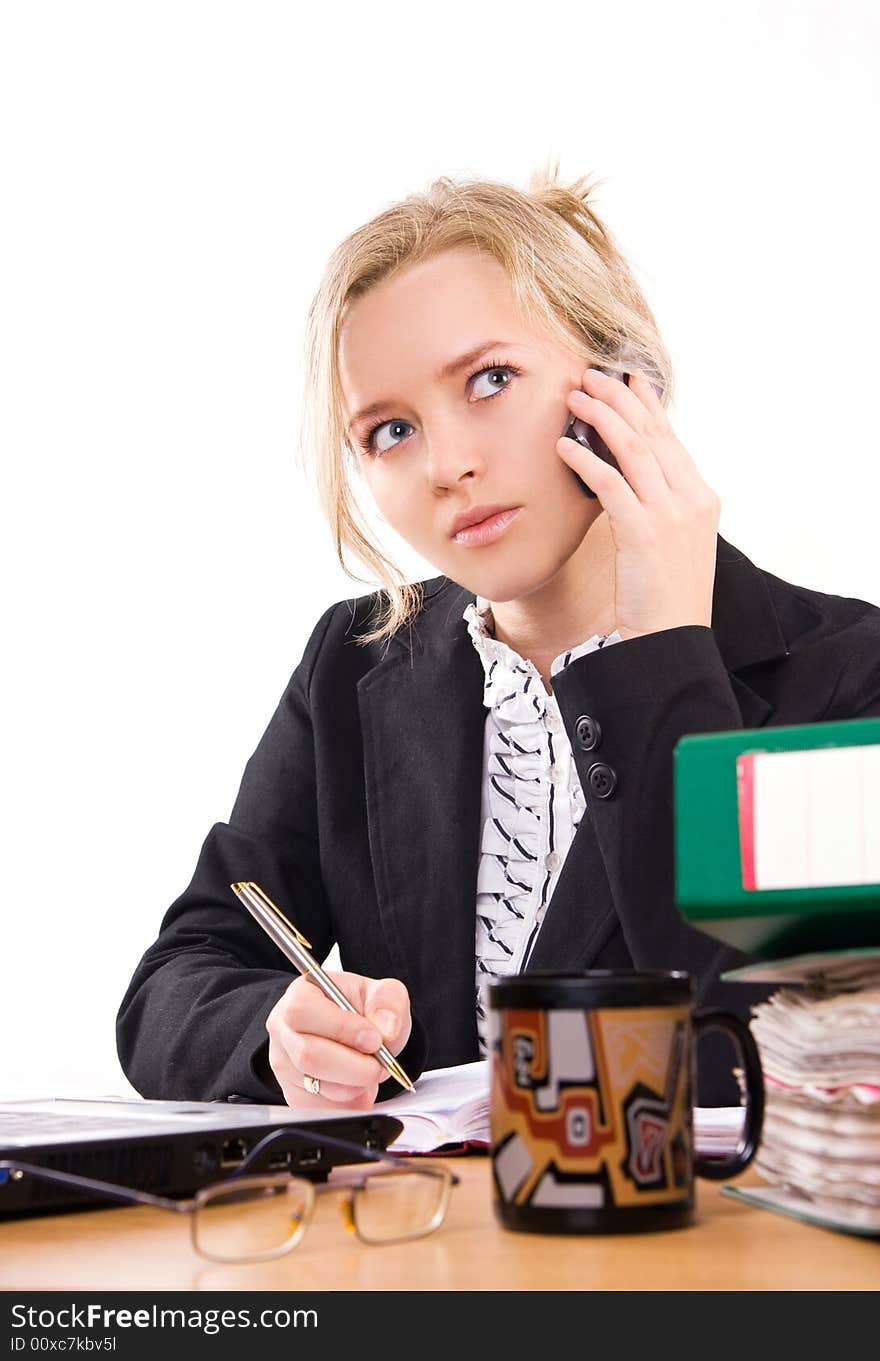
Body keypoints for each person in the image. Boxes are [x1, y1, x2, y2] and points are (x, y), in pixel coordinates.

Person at [116, 166, 880, 1111]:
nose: (446, 465)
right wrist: (276, 1033)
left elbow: (778, 1059)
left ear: (622, 383)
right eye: (390, 430)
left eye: (489, 380)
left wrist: (666, 660)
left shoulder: (847, 674)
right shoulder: (354, 666)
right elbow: (177, 978)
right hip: (432, 1248)